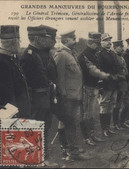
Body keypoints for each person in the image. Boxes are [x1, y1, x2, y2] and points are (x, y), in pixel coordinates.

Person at [21, 25, 58, 166]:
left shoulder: (38, 53)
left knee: (45, 127)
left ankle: (42, 157)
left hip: (44, 96)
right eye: (43, 37)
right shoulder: (28, 55)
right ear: (36, 38)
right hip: (36, 99)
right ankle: (36, 159)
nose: (45, 40)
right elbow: (26, 82)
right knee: (36, 128)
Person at [54, 30, 90, 161]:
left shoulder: (70, 53)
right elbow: (59, 78)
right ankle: (69, 151)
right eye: (72, 39)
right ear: (65, 41)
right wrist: (62, 96)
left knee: (71, 123)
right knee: (67, 123)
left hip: (75, 96)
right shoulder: (61, 55)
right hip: (67, 97)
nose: (75, 41)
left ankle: (70, 149)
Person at [0, 25, 31, 135]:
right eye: (19, 40)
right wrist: (15, 121)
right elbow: (5, 96)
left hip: (18, 117)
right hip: (12, 120)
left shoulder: (10, 59)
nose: (19, 43)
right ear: (14, 42)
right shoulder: (1, 63)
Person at [78, 32, 111, 144]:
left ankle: (92, 135)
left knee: (93, 113)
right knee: (86, 114)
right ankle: (87, 137)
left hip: (94, 87)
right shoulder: (83, 56)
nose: (98, 46)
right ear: (89, 43)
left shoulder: (95, 54)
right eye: (96, 43)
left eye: (98, 43)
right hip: (86, 87)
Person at [98, 33, 125, 137]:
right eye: (106, 40)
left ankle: (108, 127)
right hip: (106, 84)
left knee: (111, 105)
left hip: (114, 84)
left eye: (109, 40)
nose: (109, 42)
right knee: (104, 105)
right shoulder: (100, 54)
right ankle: (104, 129)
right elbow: (100, 71)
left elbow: (118, 67)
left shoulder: (112, 54)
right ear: (101, 42)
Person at [112, 40, 129, 130]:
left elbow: (125, 69)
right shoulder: (114, 58)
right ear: (115, 48)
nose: (122, 48)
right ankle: (116, 124)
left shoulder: (121, 57)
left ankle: (122, 121)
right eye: (119, 47)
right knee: (117, 105)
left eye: (122, 46)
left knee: (127, 103)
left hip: (125, 84)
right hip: (119, 85)